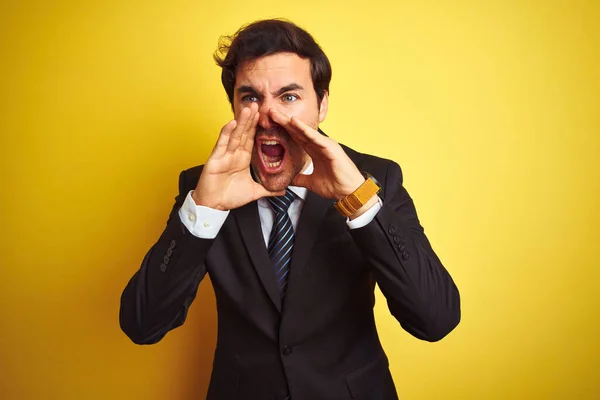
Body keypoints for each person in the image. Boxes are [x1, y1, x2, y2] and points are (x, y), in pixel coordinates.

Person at [120, 18, 460, 400]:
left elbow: (436, 319)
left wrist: (360, 203)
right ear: (233, 105)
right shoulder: (203, 188)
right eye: (250, 98)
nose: (269, 117)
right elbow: (142, 324)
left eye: (289, 97)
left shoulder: (374, 178)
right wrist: (205, 210)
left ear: (323, 103)